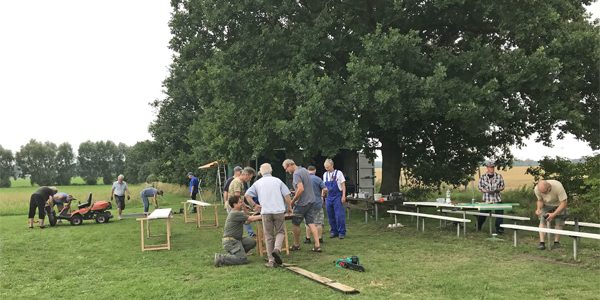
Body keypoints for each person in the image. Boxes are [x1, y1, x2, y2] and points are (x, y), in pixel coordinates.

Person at [245, 163, 293, 267]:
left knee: (268, 236)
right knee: (280, 232)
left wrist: (254, 205)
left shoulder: (258, 183)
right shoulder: (278, 181)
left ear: (261, 173)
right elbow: (287, 195)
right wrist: (289, 207)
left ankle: (271, 260)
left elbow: (247, 195)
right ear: (271, 171)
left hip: (265, 212)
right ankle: (277, 249)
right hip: (279, 211)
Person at [282, 159, 321, 252]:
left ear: (290, 165)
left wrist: (292, 201)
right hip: (312, 200)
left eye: (286, 168)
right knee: (311, 223)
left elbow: (301, 189)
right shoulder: (304, 170)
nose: (286, 171)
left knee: (295, 223)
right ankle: (317, 245)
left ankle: (296, 244)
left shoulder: (296, 174)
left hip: (302, 203)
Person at [214, 195, 261, 267]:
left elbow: (246, 222)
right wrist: (264, 215)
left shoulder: (236, 213)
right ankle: (220, 258)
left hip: (236, 240)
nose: (242, 203)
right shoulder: (236, 213)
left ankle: (238, 254)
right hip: (231, 242)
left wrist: (255, 215)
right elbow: (250, 219)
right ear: (234, 204)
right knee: (242, 259)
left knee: (251, 242)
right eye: (240, 202)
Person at [534, 179, 568, 250]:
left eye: (545, 192)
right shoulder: (537, 189)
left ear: (549, 187)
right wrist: (538, 209)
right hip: (546, 205)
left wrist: (554, 214)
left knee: (559, 222)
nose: (544, 194)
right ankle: (542, 243)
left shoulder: (558, 186)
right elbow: (540, 200)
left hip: (559, 204)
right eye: (542, 192)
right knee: (542, 221)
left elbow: (563, 203)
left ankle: (556, 243)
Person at [228, 167, 259, 237]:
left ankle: (247, 234)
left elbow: (240, 198)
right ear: (246, 175)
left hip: (236, 205)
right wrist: (244, 208)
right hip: (233, 206)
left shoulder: (240, 182)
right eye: (250, 178)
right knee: (239, 223)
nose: (249, 180)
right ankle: (233, 237)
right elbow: (237, 198)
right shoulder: (237, 182)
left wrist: (246, 206)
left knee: (243, 221)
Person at [477, 160, 505, 234]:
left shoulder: (499, 176)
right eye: (490, 167)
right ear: (487, 168)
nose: (491, 168)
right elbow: (479, 187)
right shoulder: (483, 177)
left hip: (497, 199)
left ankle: (499, 229)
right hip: (487, 199)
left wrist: (497, 190)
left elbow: (502, 186)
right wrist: (486, 191)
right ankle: (478, 225)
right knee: (482, 215)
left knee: (499, 215)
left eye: (492, 167)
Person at [323, 158, 347, 239]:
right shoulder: (325, 175)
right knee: (330, 215)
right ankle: (334, 231)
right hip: (329, 197)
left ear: (332, 165)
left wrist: (343, 196)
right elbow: (325, 187)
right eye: (325, 167)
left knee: (339, 215)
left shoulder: (339, 173)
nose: (327, 169)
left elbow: (343, 185)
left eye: (328, 167)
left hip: (337, 196)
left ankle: (341, 232)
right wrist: (323, 195)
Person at [305, 165, 326, 245]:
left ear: (307, 171)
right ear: (315, 171)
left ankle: (308, 238)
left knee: (308, 222)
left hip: (307, 204)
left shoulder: (304, 179)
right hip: (317, 203)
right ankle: (320, 238)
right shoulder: (318, 179)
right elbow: (325, 189)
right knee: (319, 222)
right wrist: (323, 196)